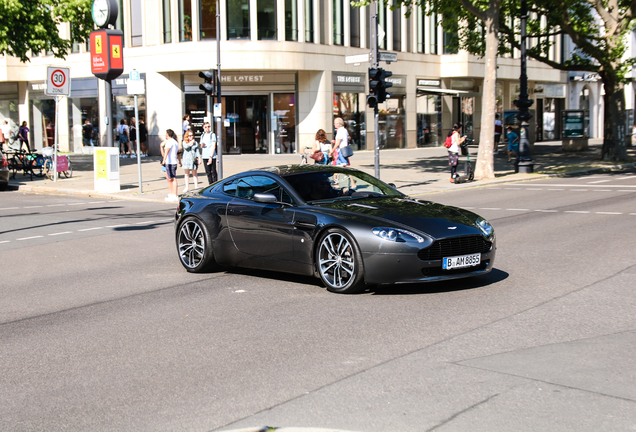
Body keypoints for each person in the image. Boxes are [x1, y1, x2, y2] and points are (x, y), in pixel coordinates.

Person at [162, 129, 180, 202]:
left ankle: (174, 195)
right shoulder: (175, 142)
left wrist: (164, 160)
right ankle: (172, 194)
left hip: (170, 162)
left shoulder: (169, 142)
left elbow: (166, 151)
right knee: (171, 178)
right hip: (173, 161)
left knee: (172, 178)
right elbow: (178, 153)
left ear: (167, 135)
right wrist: (180, 161)